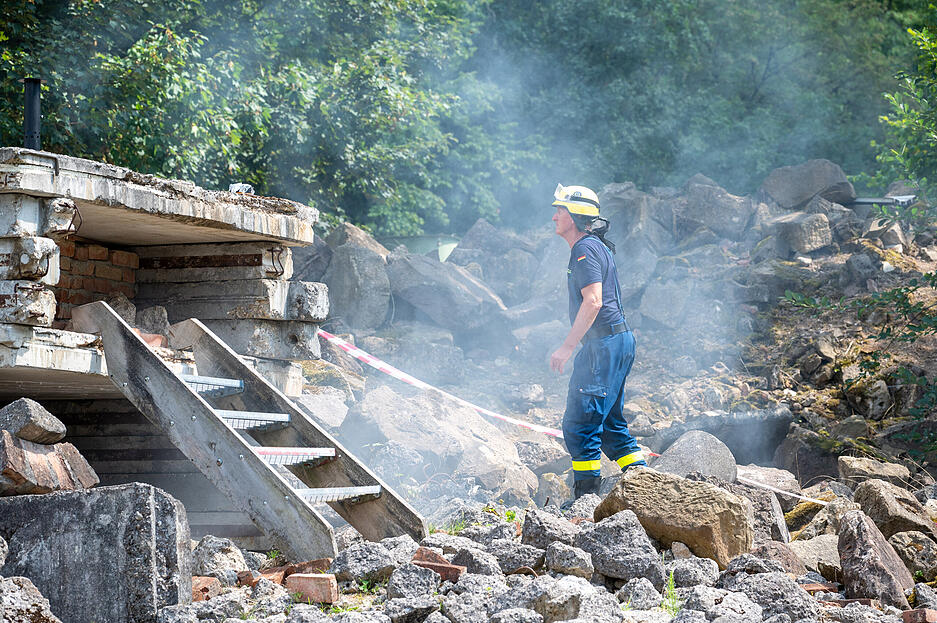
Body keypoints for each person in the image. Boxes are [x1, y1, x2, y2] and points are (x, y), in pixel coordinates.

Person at [549, 183, 646, 499]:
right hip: (617, 342)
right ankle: (647, 490)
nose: (554, 216)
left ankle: (585, 506)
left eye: (560, 210)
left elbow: (593, 302)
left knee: (581, 425)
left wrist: (566, 347)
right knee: (610, 426)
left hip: (603, 346)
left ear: (575, 216)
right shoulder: (594, 247)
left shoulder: (584, 249)